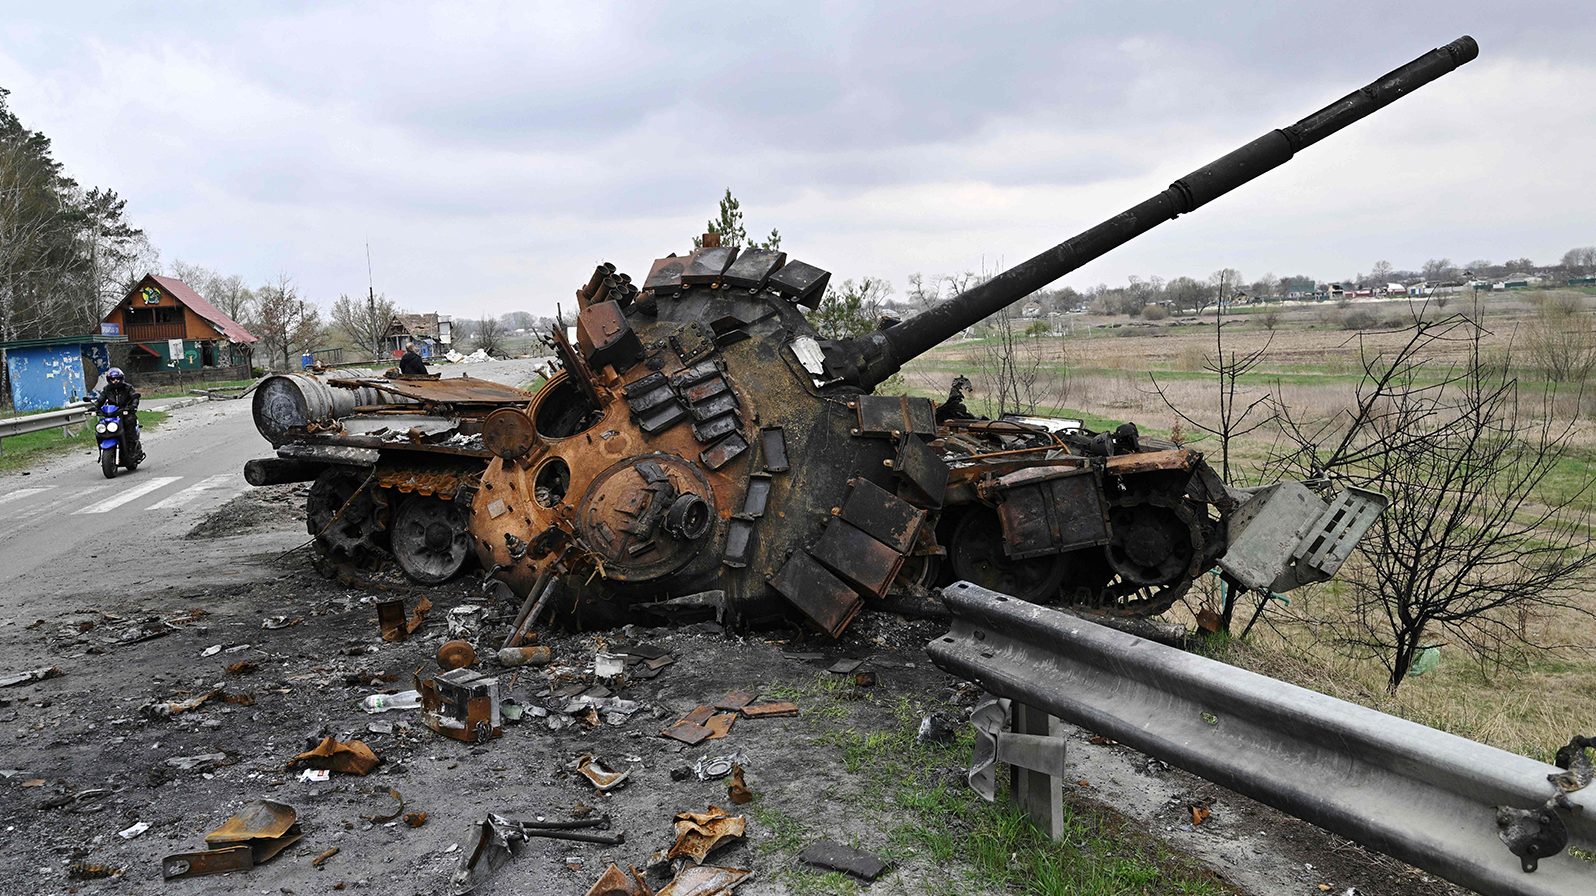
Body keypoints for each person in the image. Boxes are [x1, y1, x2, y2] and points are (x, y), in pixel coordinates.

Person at [95, 367, 144, 461]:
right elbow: (100, 400)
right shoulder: (107, 389)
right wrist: (95, 407)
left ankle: (131, 448)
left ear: (121, 378)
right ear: (109, 380)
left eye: (117, 378)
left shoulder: (128, 387)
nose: (115, 381)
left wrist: (133, 405)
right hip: (112, 414)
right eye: (113, 379)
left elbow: (134, 397)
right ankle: (101, 451)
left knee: (129, 421)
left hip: (126, 412)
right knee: (101, 427)